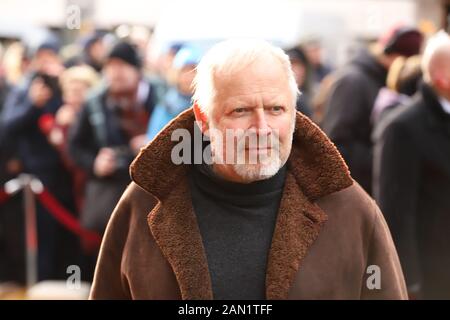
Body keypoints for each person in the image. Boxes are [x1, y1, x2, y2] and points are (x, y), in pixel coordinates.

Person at [90, 39, 406, 300]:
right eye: (240, 110)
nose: (261, 127)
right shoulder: (144, 203)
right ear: (202, 118)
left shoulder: (351, 210)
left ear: (295, 113)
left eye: (276, 109)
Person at [373, 31, 450, 299]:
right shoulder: (402, 128)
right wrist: (409, 284)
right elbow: (395, 214)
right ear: (442, 78)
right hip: (431, 274)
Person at [1, 39, 80, 281]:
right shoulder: (24, 90)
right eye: (42, 58)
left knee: (67, 238)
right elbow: (7, 126)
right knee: (40, 238)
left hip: (66, 176)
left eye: (51, 58)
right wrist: (33, 104)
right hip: (36, 179)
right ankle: (40, 281)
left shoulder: (65, 89)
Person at [68, 41, 158, 236]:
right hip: (110, 194)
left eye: (121, 65)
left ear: (136, 69)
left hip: (153, 192)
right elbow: (75, 146)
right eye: (110, 66)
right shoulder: (95, 101)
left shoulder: (158, 95)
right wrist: (95, 163)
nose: (115, 72)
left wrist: (153, 142)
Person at [321, 26, 423, 194]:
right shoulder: (353, 81)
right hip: (354, 192)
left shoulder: (385, 80)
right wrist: (385, 157)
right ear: (393, 55)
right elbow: (336, 145)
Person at [146, 46, 201, 140]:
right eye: (184, 70)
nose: (189, 75)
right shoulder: (167, 105)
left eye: (193, 70)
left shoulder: (207, 104)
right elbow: (154, 138)